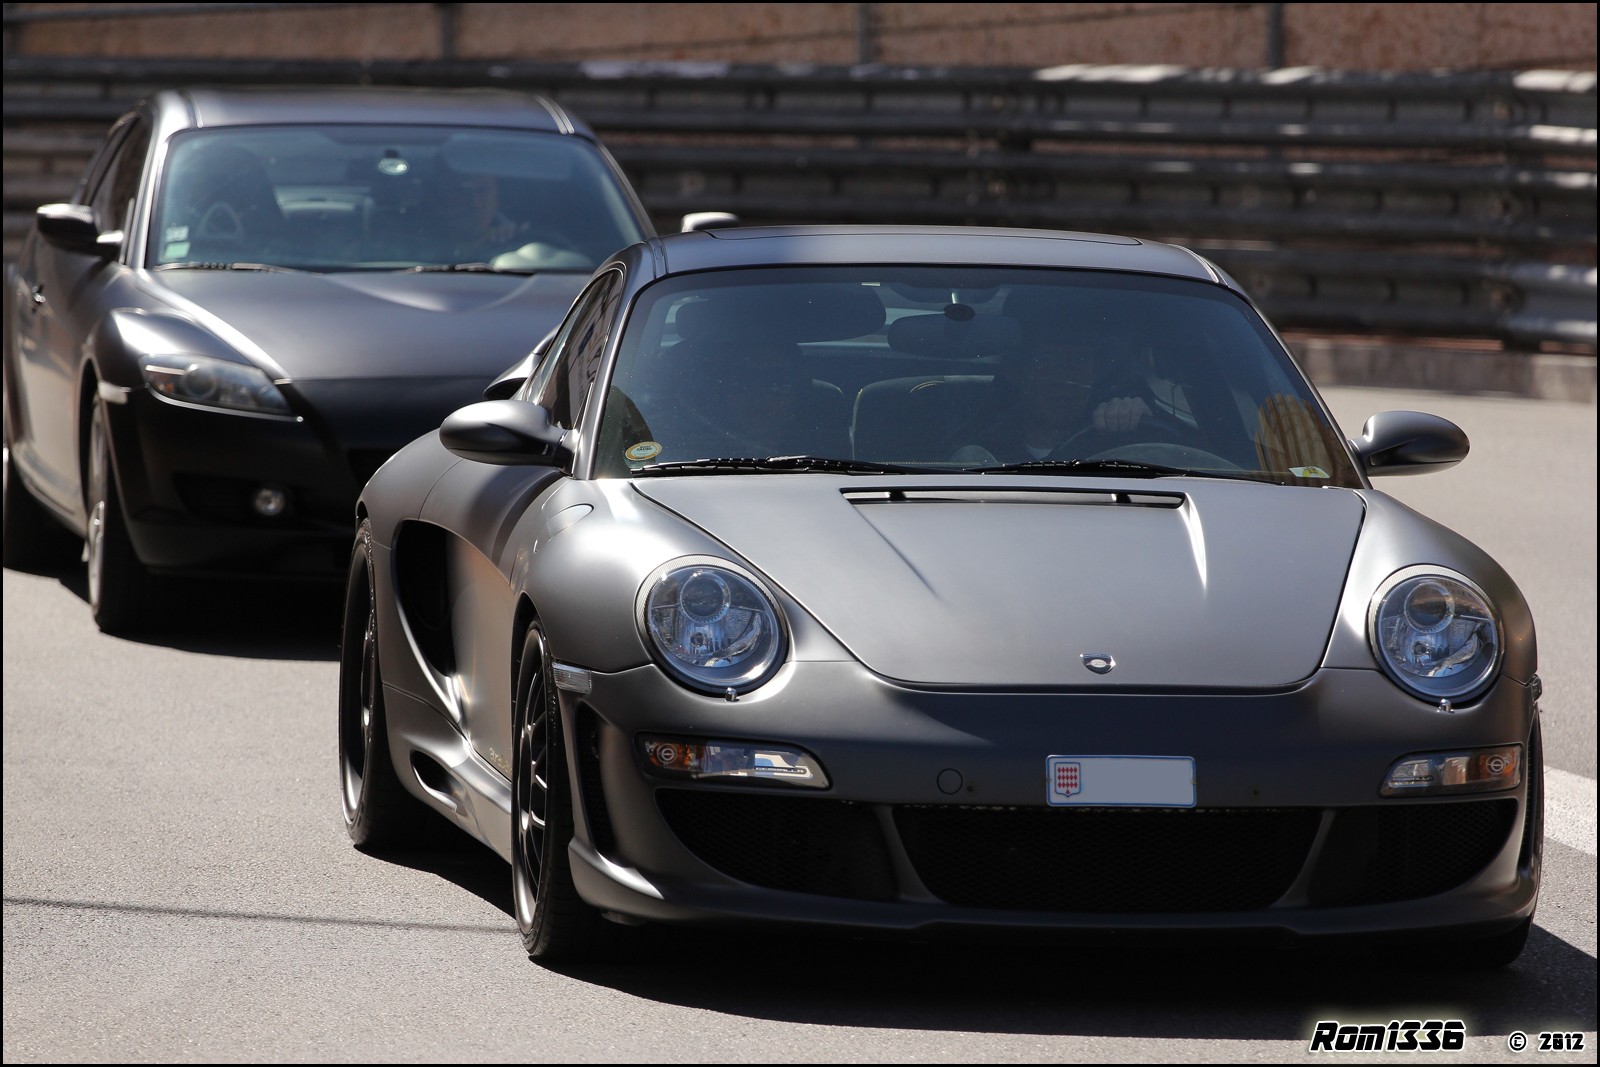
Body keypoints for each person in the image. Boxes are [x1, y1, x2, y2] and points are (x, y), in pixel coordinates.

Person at [951, 338, 1155, 465]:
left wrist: (1140, 427)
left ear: (1097, 374)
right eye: (1045, 361)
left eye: (1080, 360)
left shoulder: (1121, 446)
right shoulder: (976, 449)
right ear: (1018, 373)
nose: (1063, 377)